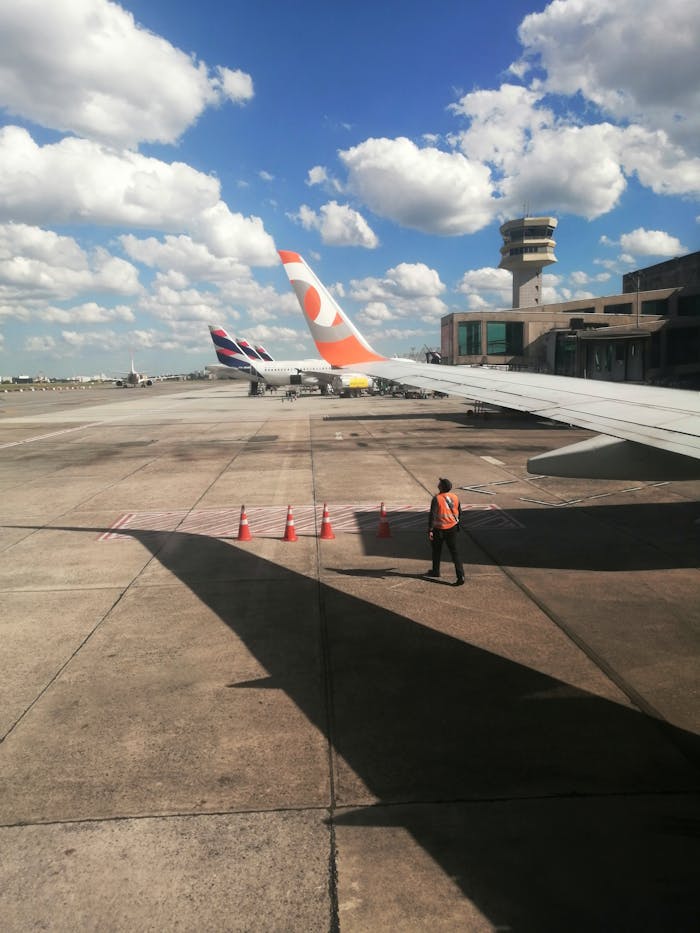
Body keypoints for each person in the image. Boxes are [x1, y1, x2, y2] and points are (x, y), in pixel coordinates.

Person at [425, 478, 465, 586]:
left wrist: (430, 530)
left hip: (439, 529)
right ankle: (460, 575)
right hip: (452, 528)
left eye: (440, 483)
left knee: (436, 551)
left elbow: (432, 516)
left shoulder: (437, 499)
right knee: (454, 552)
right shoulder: (455, 497)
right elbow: (460, 512)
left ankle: (436, 571)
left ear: (442, 487)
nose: (438, 484)